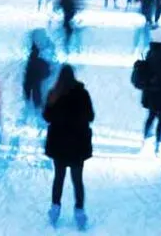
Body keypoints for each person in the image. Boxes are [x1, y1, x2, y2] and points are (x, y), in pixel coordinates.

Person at [43, 64, 94, 230]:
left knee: (59, 178)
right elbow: (91, 116)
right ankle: (79, 211)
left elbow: (47, 116)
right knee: (77, 180)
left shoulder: (54, 94)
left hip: (59, 145)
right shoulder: (83, 94)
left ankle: (55, 208)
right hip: (78, 145)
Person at [140, 28, 161, 154]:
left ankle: (145, 138)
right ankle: (159, 144)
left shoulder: (151, 52)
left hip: (150, 91)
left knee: (152, 115)